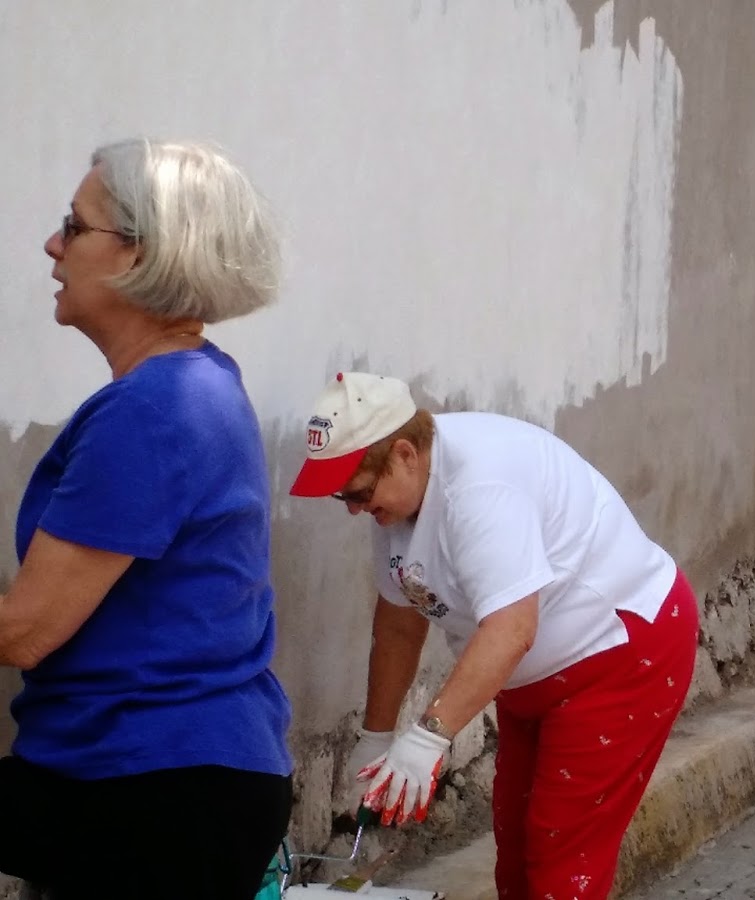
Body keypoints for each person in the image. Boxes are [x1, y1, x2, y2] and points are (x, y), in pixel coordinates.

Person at [0, 140, 293, 899]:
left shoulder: (156, 408)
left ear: (143, 253)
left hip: (154, 786)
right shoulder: (196, 382)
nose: (53, 245)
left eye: (75, 225)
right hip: (152, 774)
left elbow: (26, 630)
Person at [288, 372, 700, 900]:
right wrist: (377, 735)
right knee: (516, 836)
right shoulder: (397, 503)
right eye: (341, 496)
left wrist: (429, 737)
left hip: (617, 654)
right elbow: (399, 623)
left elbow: (512, 628)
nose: (352, 507)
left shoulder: (480, 488)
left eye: (359, 492)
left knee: (560, 848)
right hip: (531, 680)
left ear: (405, 454)